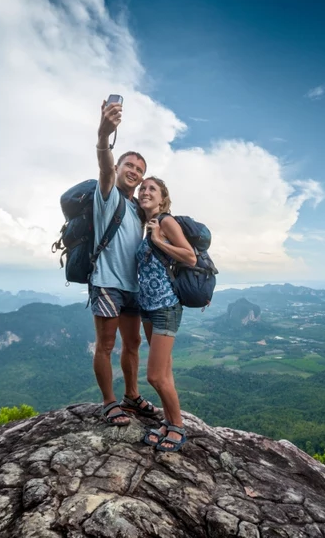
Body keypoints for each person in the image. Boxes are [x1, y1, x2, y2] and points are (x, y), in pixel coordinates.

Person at [92, 99, 157, 426]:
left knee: (132, 344)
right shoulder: (107, 195)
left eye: (140, 170)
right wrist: (105, 136)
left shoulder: (136, 209)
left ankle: (132, 395)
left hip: (133, 287)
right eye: (129, 165)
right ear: (119, 168)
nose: (134, 172)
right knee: (105, 344)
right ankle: (109, 402)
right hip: (106, 282)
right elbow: (104, 166)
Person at [136, 176, 197, 451]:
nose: (145, 191)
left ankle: (179, 428)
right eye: (142, 188)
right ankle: (169, 421)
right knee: (166, 370)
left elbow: (190, 256)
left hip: (165, 306)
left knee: (155, 376)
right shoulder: (143, 225)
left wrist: (159, 240)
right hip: (147, 307)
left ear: (163, 198)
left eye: (152, 189)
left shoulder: (166, 221)